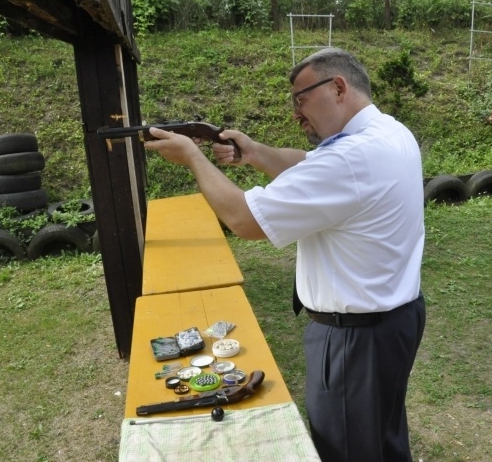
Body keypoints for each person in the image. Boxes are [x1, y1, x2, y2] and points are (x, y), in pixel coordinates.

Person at [145, 47, 426, 462]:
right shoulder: (388, 132)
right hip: (394, 321)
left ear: (338, 87)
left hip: (354, 339)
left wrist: (193, 157)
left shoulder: (349, 157)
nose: (296, 113)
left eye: (301, 99)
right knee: (383, 438)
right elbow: (311, 164)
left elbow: (244, 219)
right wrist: (255, 152)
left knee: (345, 449)